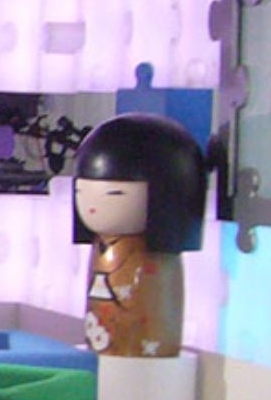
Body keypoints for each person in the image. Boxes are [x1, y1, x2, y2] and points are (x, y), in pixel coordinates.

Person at [71, 113, 208, 358]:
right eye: (81, 192)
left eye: (115, 194)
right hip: (101, 341)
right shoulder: (102, 247)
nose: (91, 207)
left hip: (148, 350)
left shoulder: (155, 255)